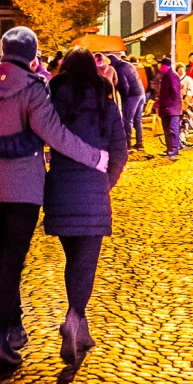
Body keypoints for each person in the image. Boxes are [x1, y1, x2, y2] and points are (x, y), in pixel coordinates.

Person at [0, 27, 108, 367]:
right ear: (32, 54)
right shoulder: (34, 89)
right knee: (13, 260)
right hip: (25, 186)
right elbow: (54, 134)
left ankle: (14, 325)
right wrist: (94, 157)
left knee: (8, 254)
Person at [43, 49, 128, 364]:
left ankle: (82, 326)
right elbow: (120, 150)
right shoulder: (106, 104)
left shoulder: (53, 102)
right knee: (86, 263)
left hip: (61, 187)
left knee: (73, 259)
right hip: (93, 189)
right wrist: (106, 182)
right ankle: (74, 318)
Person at [109, 54, 146, 151]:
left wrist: (124, 98)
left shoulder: (119, 69)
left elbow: (125, 86)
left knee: (127, 120)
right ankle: (139, 142)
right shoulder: (128, 65)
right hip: (141, 93)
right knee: (138, 119)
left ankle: (128, 144)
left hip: (132, 96)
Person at [154, 56, 182, 158]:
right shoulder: (165, 76)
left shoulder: (172, 76)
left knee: (172, 129)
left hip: (171, 108)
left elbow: (175, 93)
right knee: (167, 129)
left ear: (166, 66)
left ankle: (174, 149)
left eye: (161, 65)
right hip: (167, 108)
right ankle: (169, 148)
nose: (160, 67)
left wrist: (166, 104)